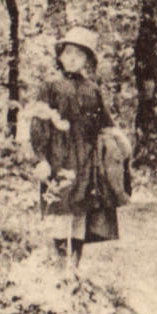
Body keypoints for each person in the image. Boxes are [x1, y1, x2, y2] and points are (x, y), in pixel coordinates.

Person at [29, 26, 122, 267]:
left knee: (80, 213)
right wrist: (41, 158)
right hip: (58, 157)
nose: (72, 58)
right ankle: (59, 266)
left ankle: (74, 266)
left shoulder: (93, 90)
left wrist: (116, 150)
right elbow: (39, 124)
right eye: (68, 52)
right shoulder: (50, 86)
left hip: (85, 160)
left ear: (87, 60)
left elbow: (106, 126)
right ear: (60, 56)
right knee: (59, 209)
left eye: (78, 54)